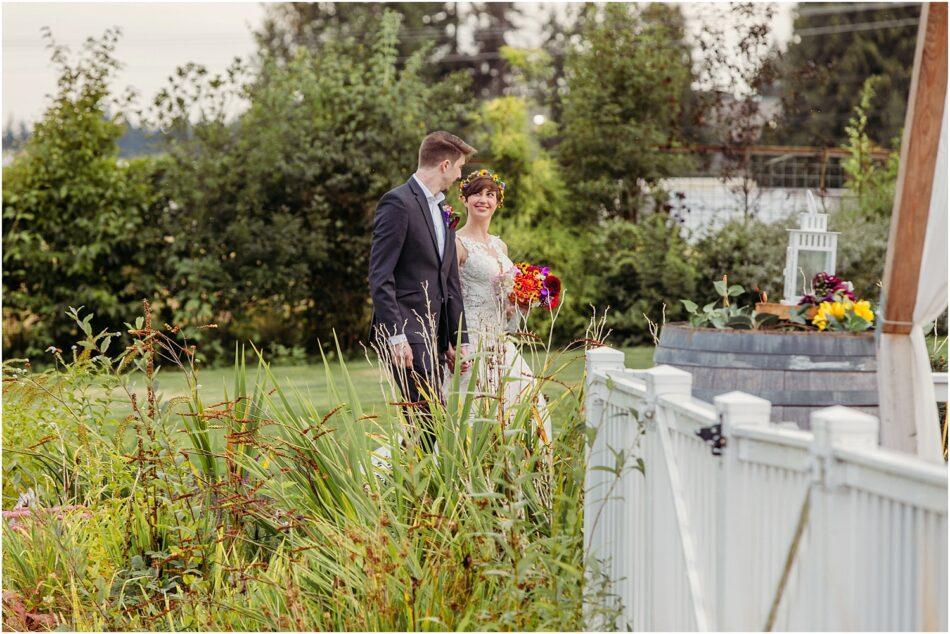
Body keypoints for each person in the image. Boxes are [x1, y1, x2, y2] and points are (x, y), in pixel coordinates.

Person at [368, 131, 475, 452]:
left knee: (427, 425)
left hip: (436, 333)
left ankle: (404, 491)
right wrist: (395, 336)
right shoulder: (398, 203)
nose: (459, 176)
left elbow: (449, 281)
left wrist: (459, 339)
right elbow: (380, 274)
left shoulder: (443, 211)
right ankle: (420, 494)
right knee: (430, 422)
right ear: (444, 164)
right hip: (408, 333)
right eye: (458, 168)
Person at [453, 168, 552, 445]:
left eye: (490, 194)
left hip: (501, 342)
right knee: (475, 416)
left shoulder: (500, 246)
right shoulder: (458, 244)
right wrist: (454, 341)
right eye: (476, 194)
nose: (483, 200)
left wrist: (518, 303)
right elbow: (450, 296)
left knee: (528, 409)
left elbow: (504, 299)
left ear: (498, 201)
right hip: (472, 342)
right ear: (464, 198)